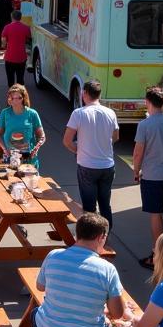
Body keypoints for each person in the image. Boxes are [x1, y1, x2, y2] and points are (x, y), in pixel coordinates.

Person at [32, 212, 124, 327]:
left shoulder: (54, 255)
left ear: (77, 233)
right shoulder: (107, 269)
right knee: (106, 324)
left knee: (37, 312)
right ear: (101, 237)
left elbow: (40, 286)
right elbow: (118, 313)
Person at [132, 86, 163, 270]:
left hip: (152, 176)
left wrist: (136, 171)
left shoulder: (144, 125)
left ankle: (158, 253)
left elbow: (138, 153)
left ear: (147, 102)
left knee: (156, 214)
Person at [63, 80, 120, 230]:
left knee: (89, 208)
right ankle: (106, 235)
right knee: (105, 203)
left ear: (85, 94)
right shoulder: (110, 113)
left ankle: (91, 237)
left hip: (87, 167)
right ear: (99, 95)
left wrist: (79, 150)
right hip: (107, 166)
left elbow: (67, 141)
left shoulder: (78, 114)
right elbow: (115, 137)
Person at [0, 84, 45, 167]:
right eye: (13, 98)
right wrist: (4, 149)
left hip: (28, 159)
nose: (16, 101)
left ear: (23, 98)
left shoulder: (32, 113)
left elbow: (41, 136)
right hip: (11, 157)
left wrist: (36, 147)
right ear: (9, 99)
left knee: (30, 179)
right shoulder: (5, 113)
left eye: (19, 98)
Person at [1, 9, 30, 88]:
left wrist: (5, 45)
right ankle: (21, 96)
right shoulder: (26, 28)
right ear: (20, 18)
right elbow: (29, 39)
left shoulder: (7, 27)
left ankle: (12, 96)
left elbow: (3, 43)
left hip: (10, 57)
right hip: (21, 57)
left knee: (10, 80)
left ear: (12, 17)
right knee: (20, 79)